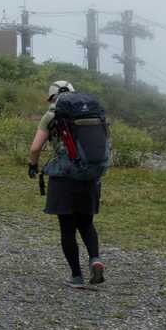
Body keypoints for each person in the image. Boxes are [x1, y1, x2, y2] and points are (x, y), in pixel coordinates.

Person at [28, 79, 106, 287]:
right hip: (90, 175)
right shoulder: (90, 112)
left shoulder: (51, 114)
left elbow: (35, 148)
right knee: (86, 223)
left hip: (63, 176)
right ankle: (95, 259)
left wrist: (32, 165)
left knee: (67, 228)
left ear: (52, 98)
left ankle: (77, 277)